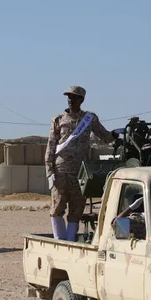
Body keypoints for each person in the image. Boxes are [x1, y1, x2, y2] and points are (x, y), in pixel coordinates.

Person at [45, 86, 114, 241]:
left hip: (82, 172)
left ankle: (70, 241)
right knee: (57, 206)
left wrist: (116, 134)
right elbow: (51, 146)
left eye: (74, 97)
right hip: (61, 170)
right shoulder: (58, 119)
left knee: (77, 209)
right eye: (69, 97)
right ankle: (59, 241)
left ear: (81, 100)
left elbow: (105, 136)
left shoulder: (89, 118)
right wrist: (49, 171)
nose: (70, 100)